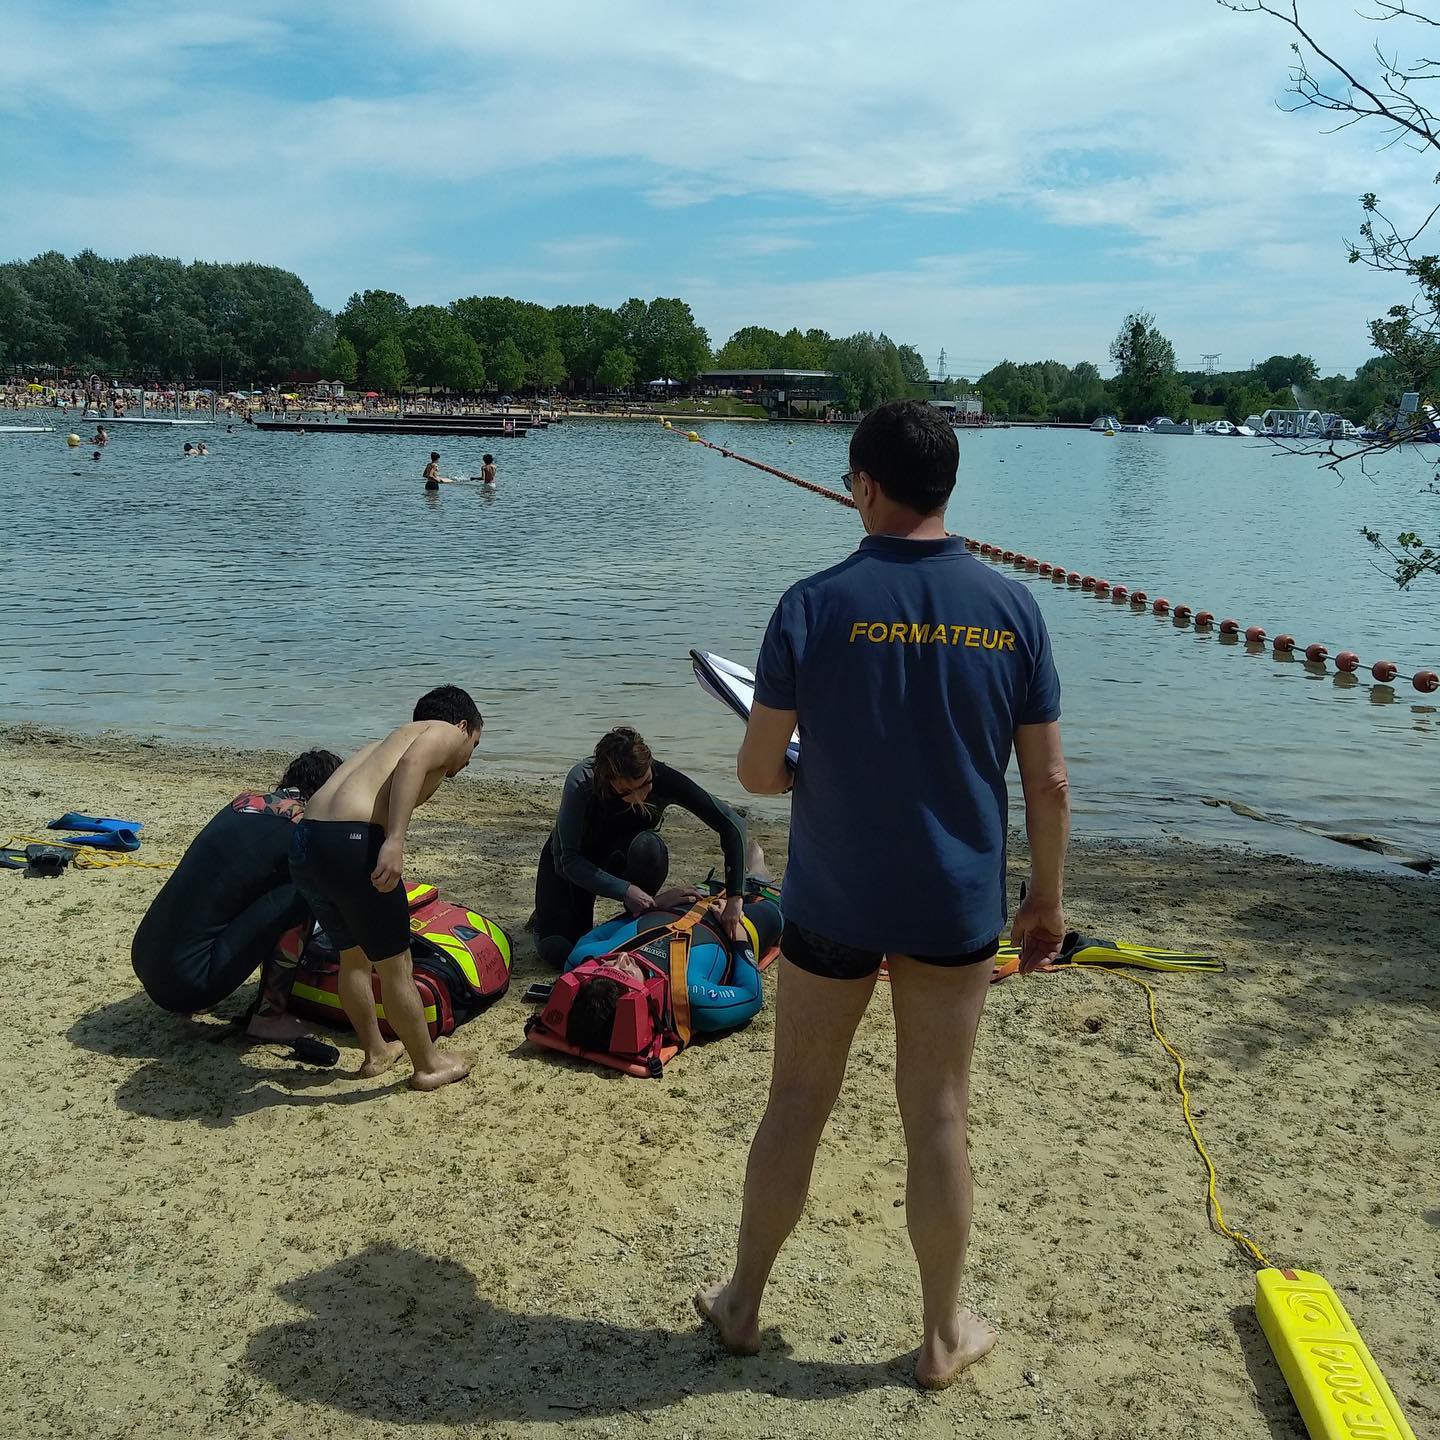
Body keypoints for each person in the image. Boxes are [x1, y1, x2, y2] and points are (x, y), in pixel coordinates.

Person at [695, 399, 1071, 1390]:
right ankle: (942, 1337)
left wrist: (806, 774)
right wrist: (1047, 903)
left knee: (796, 1102)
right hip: (954, 908)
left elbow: (757, 771)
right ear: (948, 485)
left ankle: (743, 1305)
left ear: (863, 484)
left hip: (832, 903)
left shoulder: (811, 604)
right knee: (938, 1114)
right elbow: (1050, 784)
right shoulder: (1013, 609)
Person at [290, 685, 483, 1090]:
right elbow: (415, 762)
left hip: (306, 842)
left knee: (353, 957)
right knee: (398, 966)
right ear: (464, 725)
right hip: (351, 843)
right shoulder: (444, 731)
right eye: (475, 745)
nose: (467, 759)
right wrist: (394, 840)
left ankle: (377, 1052)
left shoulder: (380, 745)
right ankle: (428, 1065)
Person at [131, 750, 343, 1039]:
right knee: (303, 892)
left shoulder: (243, 803)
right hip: (188, 985)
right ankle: (269, 1018)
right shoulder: (302, 828)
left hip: (145, 959)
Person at [533, 726, 749, 969]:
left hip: (621, 860)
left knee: (650, 848)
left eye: (645, 783)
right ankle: (550, 915)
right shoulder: (581, 782)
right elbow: (568, 861)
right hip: (571, 870)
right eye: (626, 791)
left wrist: (735, 897)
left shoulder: (661, 777)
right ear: (608, 779)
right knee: (561, 951)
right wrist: (626, 890)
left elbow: (732, 824)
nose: (639, 796)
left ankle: (641, 912)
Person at [563, 851, 781, 1045]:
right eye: (625, 975)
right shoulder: (690, 999)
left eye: (609, 966)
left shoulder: (584, 961)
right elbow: (751, 995)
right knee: (776, 900)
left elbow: (599, 932)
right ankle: (758, 871)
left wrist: (652, 905)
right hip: (732, 926)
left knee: (725, 876)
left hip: (679, 904)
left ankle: (752, 865)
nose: (622, 959)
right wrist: (740, 940)